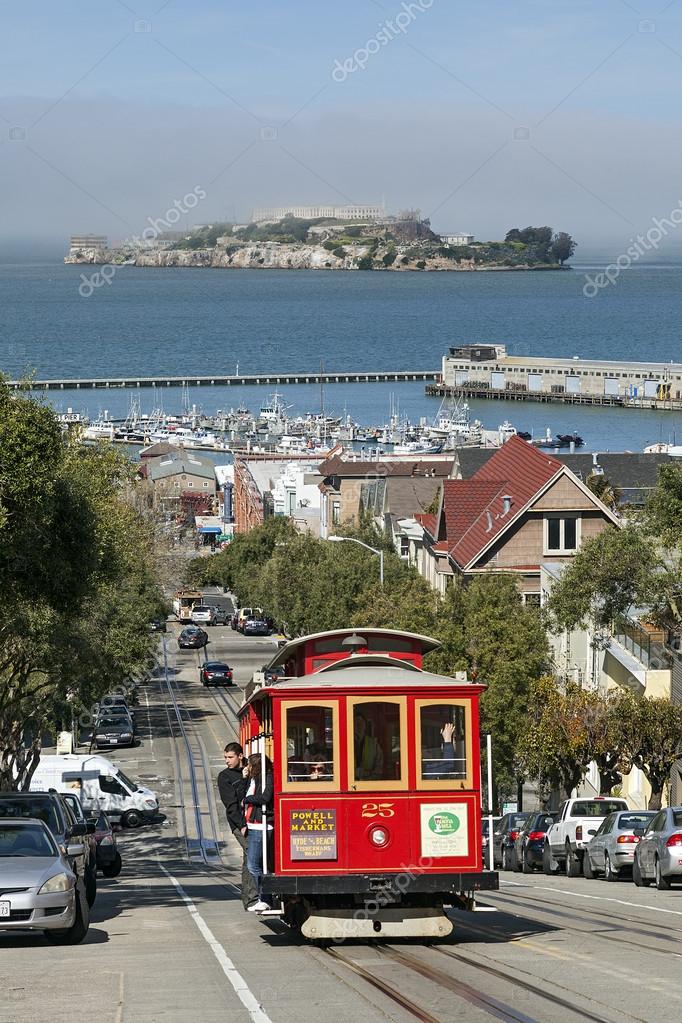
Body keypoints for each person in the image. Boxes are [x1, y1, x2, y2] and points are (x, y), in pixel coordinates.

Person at [217, 742, 257, 910]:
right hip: (238, 821)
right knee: (250, 851)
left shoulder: (252, 767)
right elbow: (231, 804)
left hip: (256, 818)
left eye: (230, 757)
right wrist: (241, 825)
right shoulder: (225, 777)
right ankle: (250, 898)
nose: (227, 761)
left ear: (240, 756)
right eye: (225, 757)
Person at [243, 753, 274, 912]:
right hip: (253, 824)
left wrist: (248, 800)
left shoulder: (267, 777)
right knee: (256, 864)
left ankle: (265, 898)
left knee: (253, 865)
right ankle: (264, 898)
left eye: (249, 764)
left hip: (261, 825)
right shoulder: (254, 778)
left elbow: (265, 797)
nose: (247, 767)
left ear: (256, 766)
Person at [354, 712, 383, 780]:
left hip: (369, 785)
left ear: (365, 726)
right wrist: (356, 773)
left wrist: (368, 779)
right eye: (355, 723)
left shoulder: (374, 744)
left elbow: (379, 768)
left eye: (361, 723)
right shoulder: (345, 743)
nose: (358, 726)